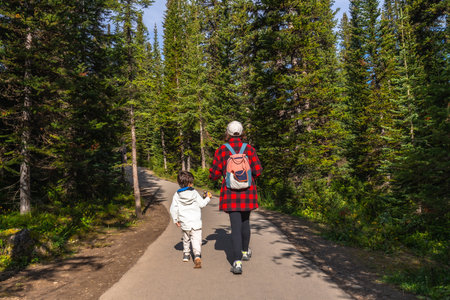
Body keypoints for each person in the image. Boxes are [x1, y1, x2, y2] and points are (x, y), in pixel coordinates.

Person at [209, 121, 262, 274]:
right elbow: (258, 171)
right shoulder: (249, 149)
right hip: (248, 192)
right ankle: (245, 252)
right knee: (246, 222)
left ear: (228, 133)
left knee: (235, 227)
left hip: (231, 193)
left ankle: (237, 262)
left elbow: (214, 174)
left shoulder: (222, 150)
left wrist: (217, 176)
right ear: (242, 132)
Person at [170, 171, 212, 269]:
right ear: (189, 183)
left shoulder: (177, 194)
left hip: (185, 222)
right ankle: (197, 256)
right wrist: (208, 198)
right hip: (196, 222)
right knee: (196, 240)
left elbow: (174, 208)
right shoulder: (194, 192)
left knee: (186, 238)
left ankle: (186, 254)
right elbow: (201, 204)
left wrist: (176, 219)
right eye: (192, 182)